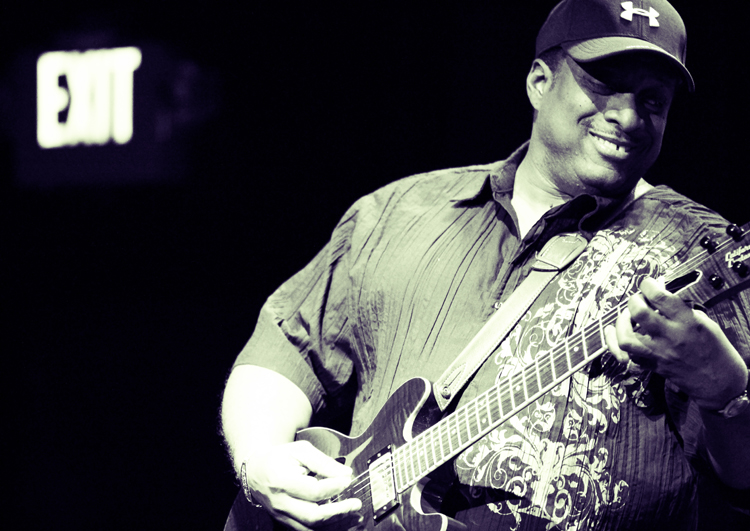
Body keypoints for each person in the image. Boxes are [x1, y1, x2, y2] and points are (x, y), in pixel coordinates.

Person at [221, 0, 750, 529]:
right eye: (605, 84)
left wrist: (724, 390)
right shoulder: (399, 212)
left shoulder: (698, 254)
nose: (628, 117)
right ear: (539, 82)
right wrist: (259, 460)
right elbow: (285, 352)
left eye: (652, 100)